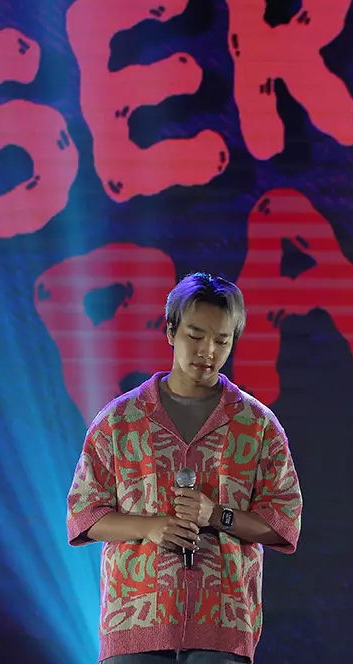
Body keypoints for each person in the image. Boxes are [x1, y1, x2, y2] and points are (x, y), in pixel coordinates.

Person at [66, 272, 303, 663]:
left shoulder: (258, 425)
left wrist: (218, 515)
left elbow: (284, 521)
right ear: (171, 331)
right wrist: (149, 527)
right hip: (134, 621)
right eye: (195, 336)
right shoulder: (119, 420)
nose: (207, 351)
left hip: (222, 623)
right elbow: (84, 514)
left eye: (221, 341)